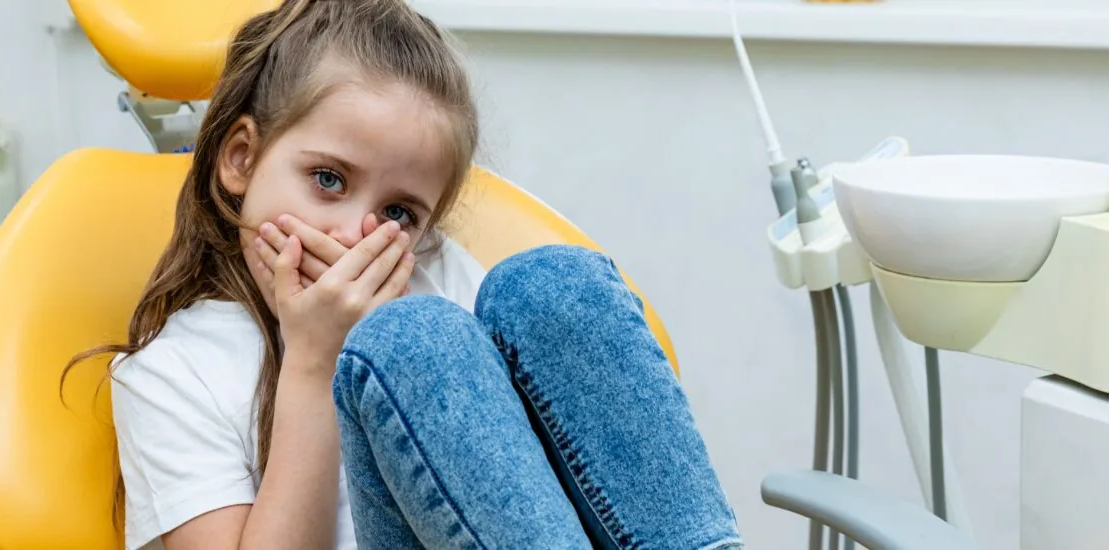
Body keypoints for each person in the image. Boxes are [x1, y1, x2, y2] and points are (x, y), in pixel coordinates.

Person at [67, 1, 744, 548]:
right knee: (409, 340)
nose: (357, 234)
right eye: (327, 180)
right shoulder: (172, 373)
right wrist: (314, 361)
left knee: (554, 285)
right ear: (240, 160)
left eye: (398, 212)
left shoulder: (431, 272)